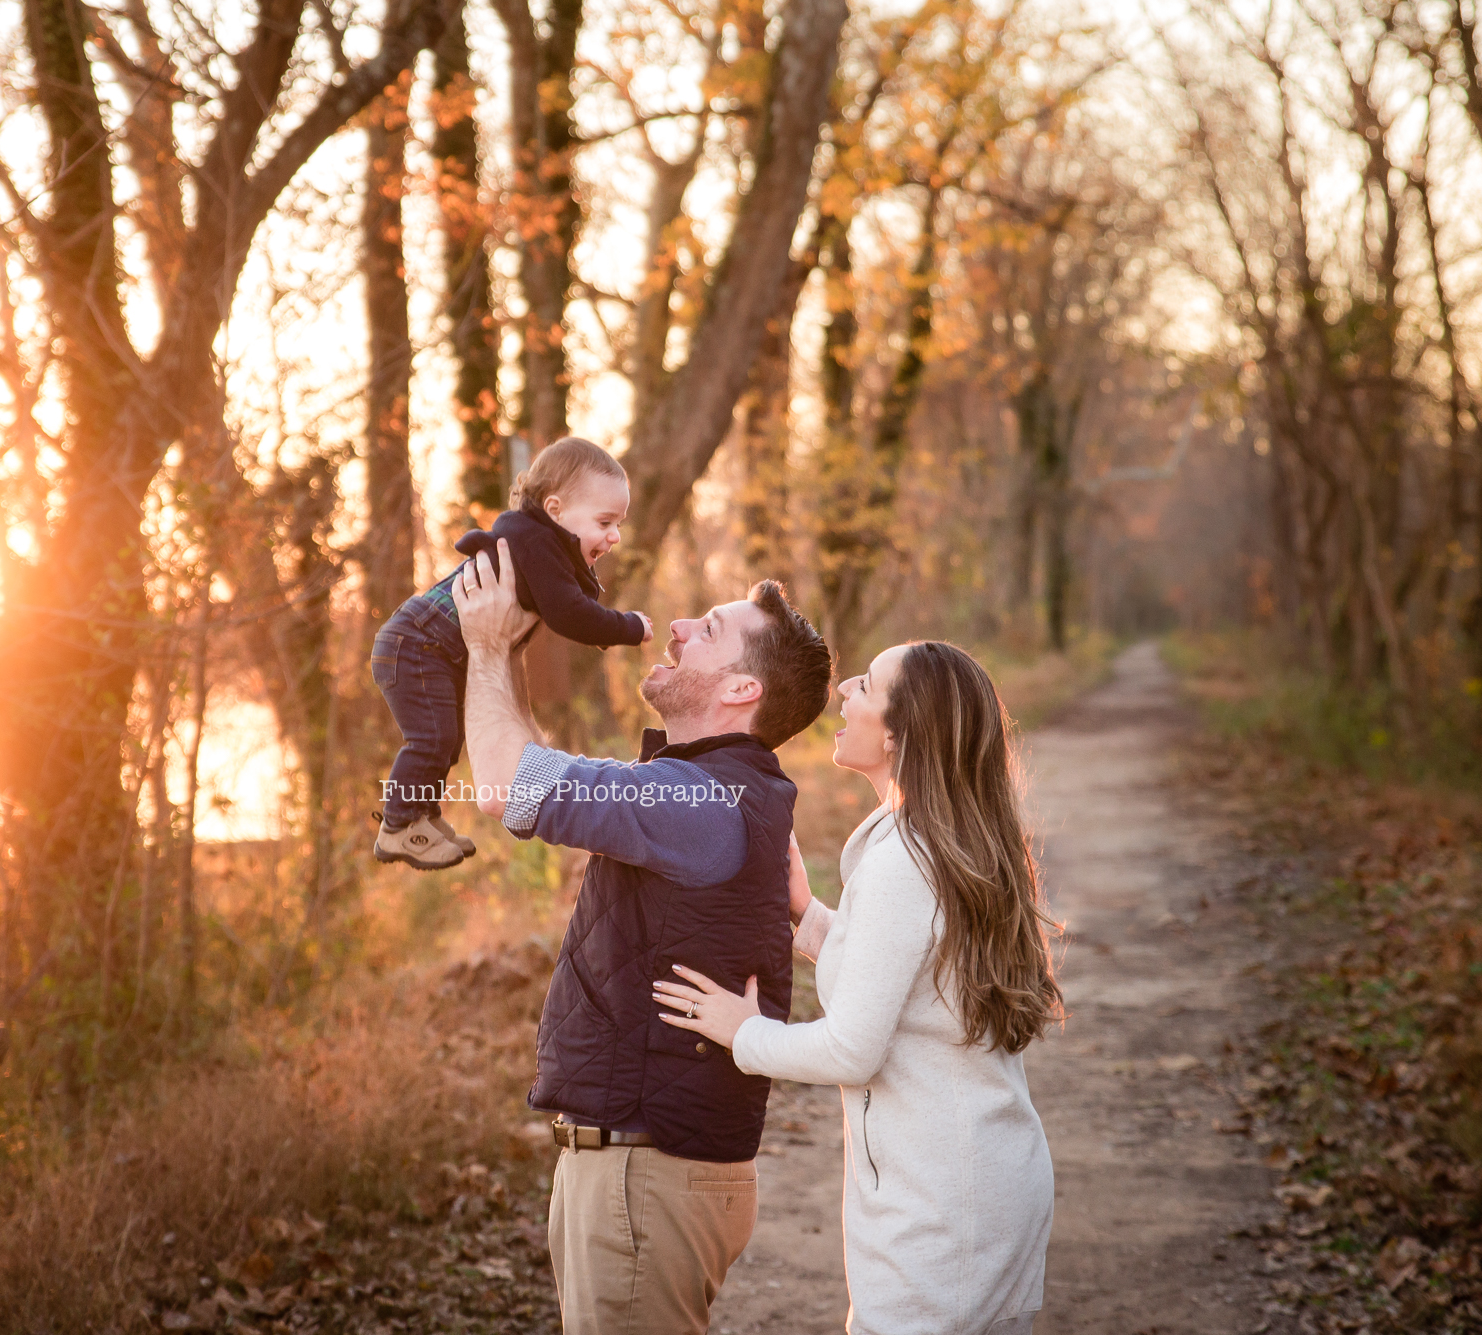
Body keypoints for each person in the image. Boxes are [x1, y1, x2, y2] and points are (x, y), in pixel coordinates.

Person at [451, 541, 833, 1335]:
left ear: (741, 688)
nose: (680, 626)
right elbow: (530, 766)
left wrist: (484, 646)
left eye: (711, 628)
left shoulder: (697, 801)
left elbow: (503, 782)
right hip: (646, 1174)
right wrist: (511, 652)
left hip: (645, 1179)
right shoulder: (710, 790)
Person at [653, 640, 1062, 1335]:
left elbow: (851, 1050)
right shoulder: (937, 841)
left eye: (866, 685)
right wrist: (809, 917)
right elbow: (920, 976)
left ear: (900, 733)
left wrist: (743, 1033)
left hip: (942, 1208)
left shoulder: (904, 860)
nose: (844, 690)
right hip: (980, 1182)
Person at [371, 437, 655, 870]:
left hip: (428, 647)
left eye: (618, 523)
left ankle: (421, 816)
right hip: (416, 644)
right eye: (604, 521)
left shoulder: (542, 544)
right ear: (556, 510)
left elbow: (573, 606)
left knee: (445, 739)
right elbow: (570, 614)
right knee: (432, 739)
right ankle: (398, 826)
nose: (614, 535)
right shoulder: (535, 543)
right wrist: (628, 626)